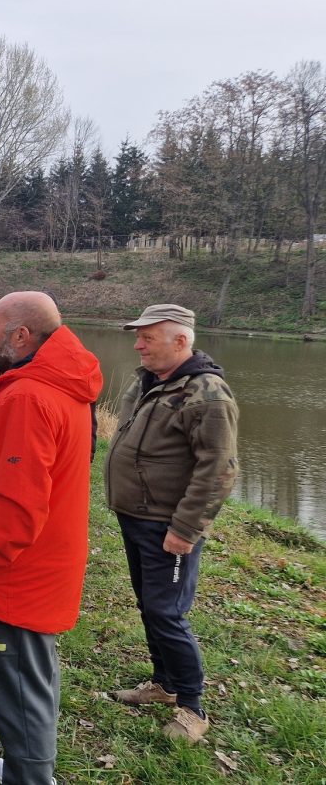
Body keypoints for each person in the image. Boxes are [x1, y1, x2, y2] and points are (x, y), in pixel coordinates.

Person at [0, 291, 102, 785]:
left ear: (22, 335)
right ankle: (23, 765)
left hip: (17, 573)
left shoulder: (30, 398)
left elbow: (16, 514)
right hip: (38, 566)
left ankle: (31, 776)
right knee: (31, 674)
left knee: (18, 683)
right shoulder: (50, 381)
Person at [105, 303, 239, 743]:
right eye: (138, 336)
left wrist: (185, 529)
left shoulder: (208, 394)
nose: (138, 344)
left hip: (168, 526)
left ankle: (192, 707)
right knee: (150, 604)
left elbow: (218, 469)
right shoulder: (153, 382)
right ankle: (164, 685)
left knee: (167, 611)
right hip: (138, 518)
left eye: (148, 337)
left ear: (181, 341)